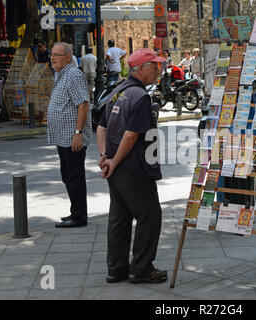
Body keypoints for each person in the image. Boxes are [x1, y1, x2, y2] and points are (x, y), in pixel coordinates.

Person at [96, 48, 168, 284]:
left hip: (117, 167)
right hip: (134, 166)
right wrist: (114, 161)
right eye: (154, 66)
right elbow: (131, 134)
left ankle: (116, 269)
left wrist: (105, 157)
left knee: (120, 217)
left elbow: (102, 128)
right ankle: (141, 268)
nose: (158, 70)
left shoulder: (118, 91)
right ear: (141, 68)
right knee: (150, 215)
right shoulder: (140, 96)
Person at [47, 42, 91, 228]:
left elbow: (83, 104)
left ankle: (79, 217)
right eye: (52, 54)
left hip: (72, 137)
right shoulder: (61, 74)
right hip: (63, 137)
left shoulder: (73, 75)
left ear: (67, 57)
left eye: (57, 54)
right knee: (67, 176)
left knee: (74, 177)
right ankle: (75, 212)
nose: (52, 57)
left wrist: (78, 133)